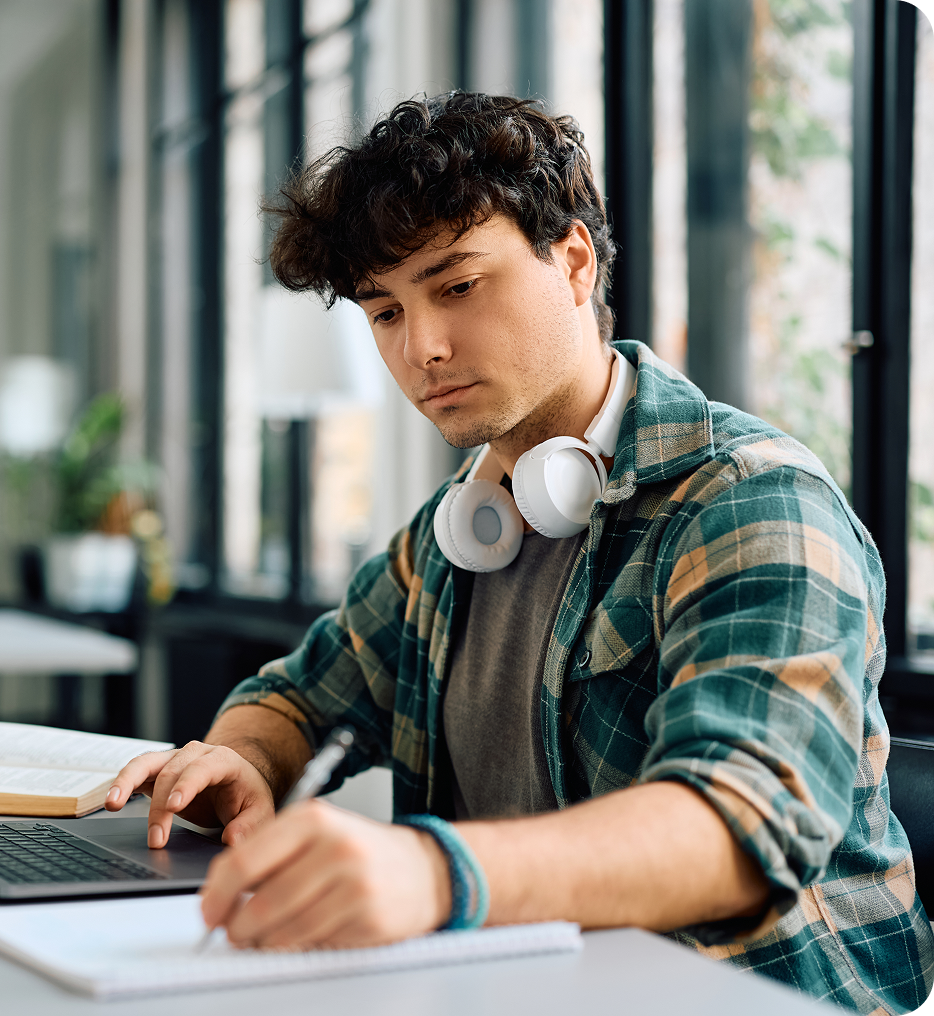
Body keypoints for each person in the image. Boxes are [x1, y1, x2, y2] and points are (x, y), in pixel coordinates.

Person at [105, 93, 933, 1014]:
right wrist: (243, 761)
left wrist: (433, 873)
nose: (423, 347)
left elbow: (742, 825)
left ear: (574, 261)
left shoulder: (750, 502)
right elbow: (298, 695)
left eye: (456, 286)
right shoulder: (456, 532)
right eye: (385, 312)